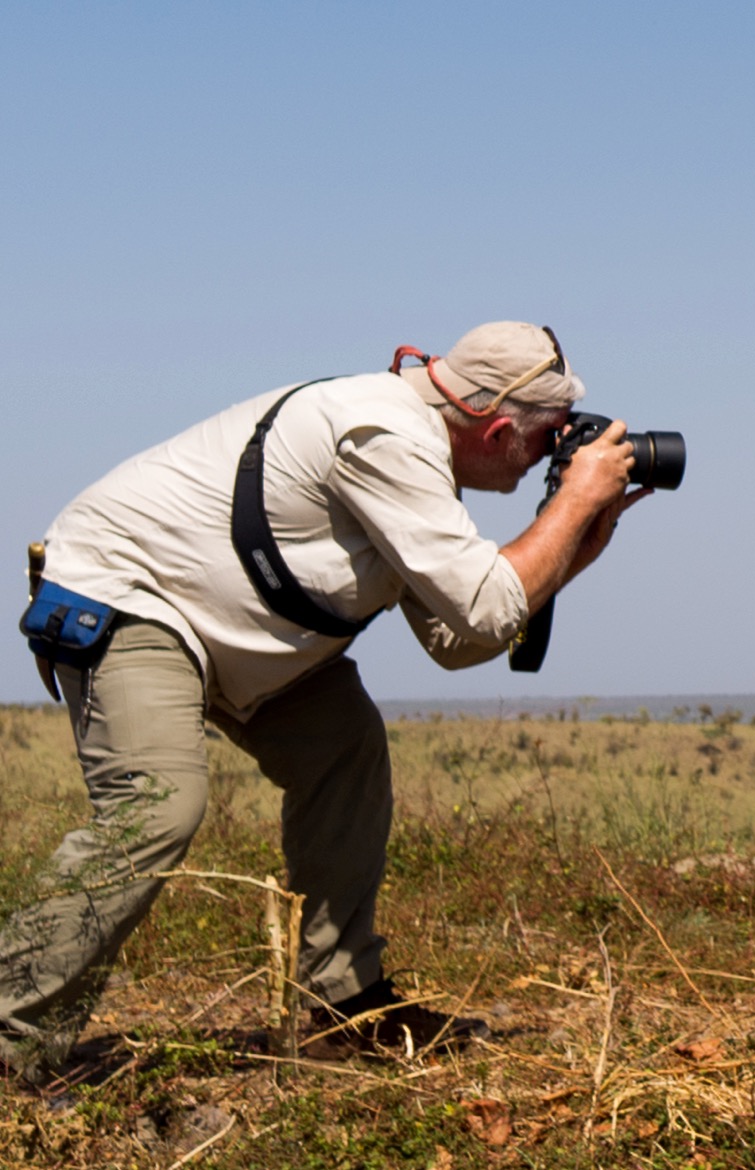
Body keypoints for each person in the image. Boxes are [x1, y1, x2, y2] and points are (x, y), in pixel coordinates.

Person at [1, 321, 646, 1084]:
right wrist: (568, 509)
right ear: (501, 429)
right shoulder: (383, 435)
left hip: (235, 632)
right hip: (133, 598)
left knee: (345, 748)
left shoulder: (419, 459)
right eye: (546, 444)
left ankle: (341, 1012)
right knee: (157, 806)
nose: (553, 457)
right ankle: (12, 1036)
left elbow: (456, 640)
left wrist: (571, 546)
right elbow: (482, 613)